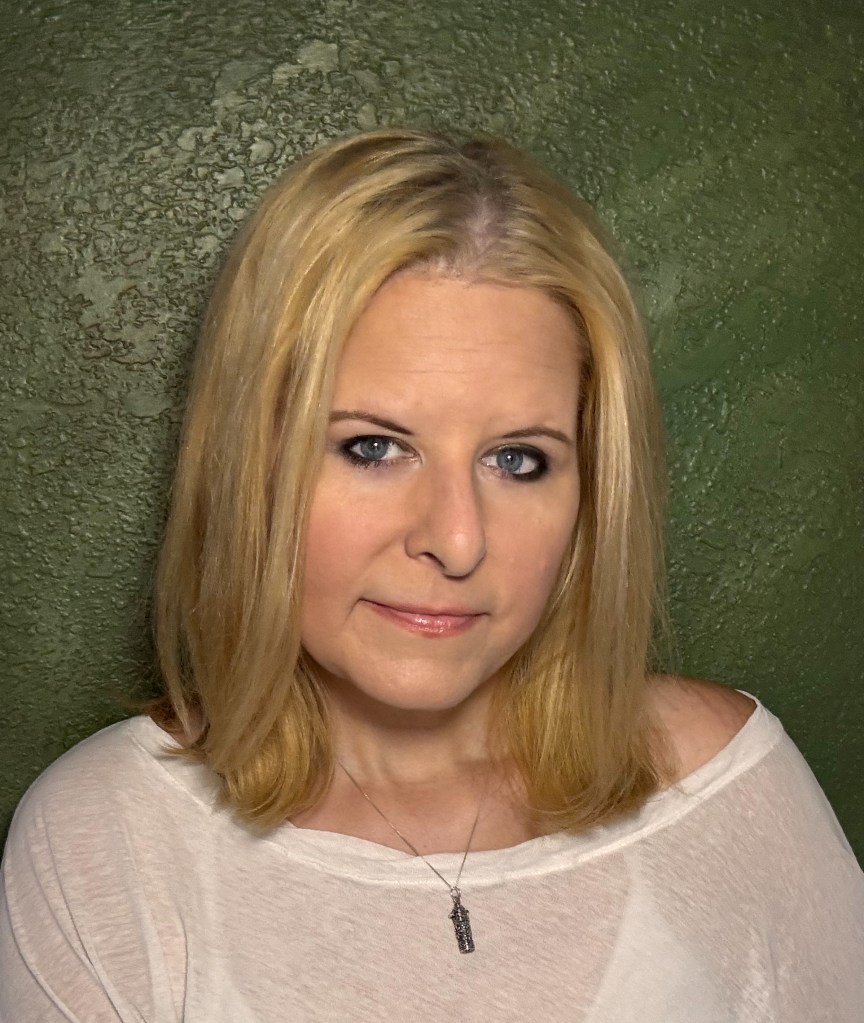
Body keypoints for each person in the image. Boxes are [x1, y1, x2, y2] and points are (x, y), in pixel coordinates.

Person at [1, 129, 862, 1022]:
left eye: (518, 460)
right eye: (373, 448)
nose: (456, 540)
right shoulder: (108, 840)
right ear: (250, 464)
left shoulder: (721, 788)